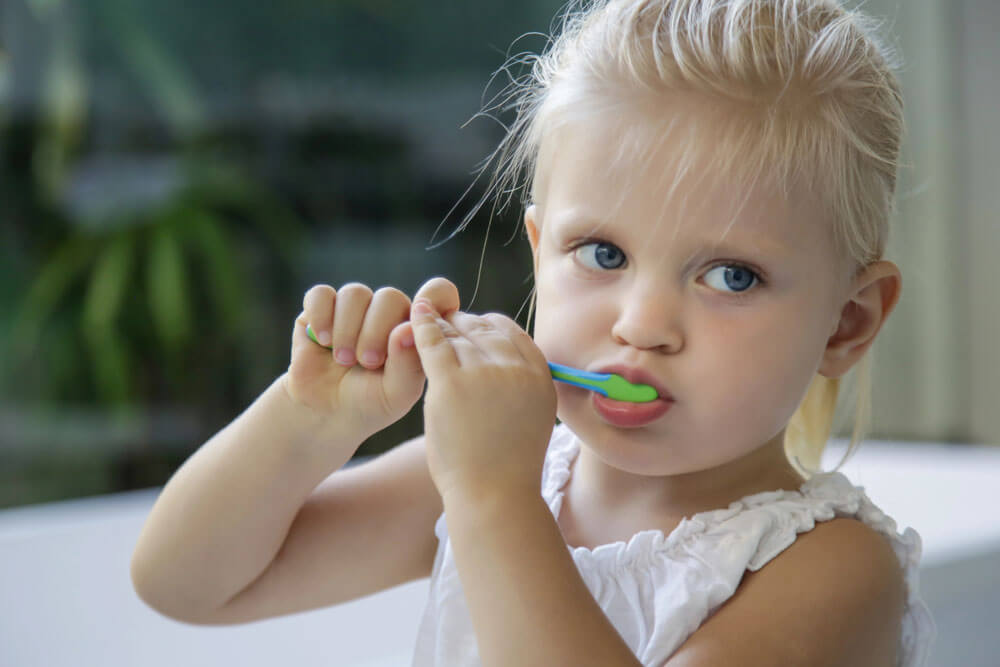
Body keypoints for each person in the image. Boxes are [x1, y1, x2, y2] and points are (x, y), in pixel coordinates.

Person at [131, 0, 936, 664]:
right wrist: (308, 419)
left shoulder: (833, 569)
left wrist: (492, 500)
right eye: (603, 253)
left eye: (732, 275)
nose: (642, 325)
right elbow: (184, 582)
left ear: (848, 320)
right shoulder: (507, 472)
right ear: (540, 253)